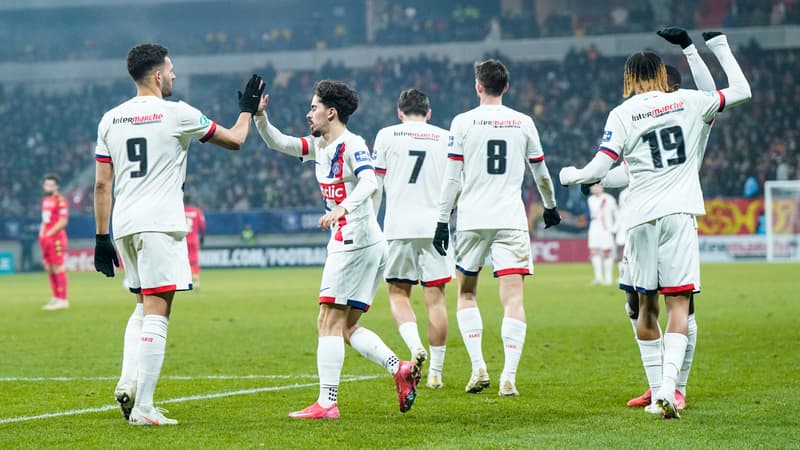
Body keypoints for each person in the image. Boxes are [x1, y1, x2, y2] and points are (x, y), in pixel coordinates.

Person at [559, 30, 751, 418]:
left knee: (646, 306)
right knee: (677, 303)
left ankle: (670, 389)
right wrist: (717, 46)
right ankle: (663, 389)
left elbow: (601, 165)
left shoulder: (623, 113)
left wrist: (574, 175)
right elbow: (742, 90)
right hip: (679, 213)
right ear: (662, 76)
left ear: (629, 78)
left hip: (641, 217)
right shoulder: (689, 102)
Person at [93, 43, 263, 426]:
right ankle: (144, 408)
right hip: (159, 223)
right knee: (158, 309)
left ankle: (127, 382)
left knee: (141, 304)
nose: (174, 75)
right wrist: (247, 111)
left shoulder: (110, 120)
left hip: (124, 224)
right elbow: (236, 140)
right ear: (157, 75)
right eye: (171, 69)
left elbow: (103, 185)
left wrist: (101, 238)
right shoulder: (178, 113)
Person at [253, 79, 418, 419]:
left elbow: (370, 181)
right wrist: (259, 117)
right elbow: (280, 143)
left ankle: (327, 403)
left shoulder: (351, 144)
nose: (308, 113)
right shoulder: (320, 145)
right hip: (365, 242)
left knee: (326, 320)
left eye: (313, 107)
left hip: (352, 241)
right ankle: (398, 368)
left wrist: (343, 208)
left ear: (331, 112)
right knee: (344, 328)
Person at [593, 31, 721, 413]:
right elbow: (627, 172)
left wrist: (691, 50)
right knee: (635, 304)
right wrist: (598, 180)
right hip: (640, 218)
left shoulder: (690, 114)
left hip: (673, 210)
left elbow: (712, 95)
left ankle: (674, 387)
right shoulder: (647, 117)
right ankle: (658, 385)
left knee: (680, 304)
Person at [433, 59, 561, 396]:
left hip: (473, 218)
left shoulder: (462, 123)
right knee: (514, 299)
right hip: (510, 218)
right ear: (506, 87)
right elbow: (541, 173)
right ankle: (509, 377)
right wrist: (550, 207)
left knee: (466, 292)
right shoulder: (523, 122)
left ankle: (478, 368)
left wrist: (442, 219)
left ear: (478, 86)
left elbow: (451, 179)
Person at [372, 88, 452, 389]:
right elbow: (455, 184)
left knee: (398, 293)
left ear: (399, 112)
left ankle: (415, 345)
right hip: (435, 227)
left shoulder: (387, 135)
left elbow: (376, 184)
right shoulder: (445, 138)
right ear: (429, 113)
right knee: (436, 299)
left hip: (398, 226)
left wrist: (373, 224)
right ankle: (437, 373)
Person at [39, 173, 70, 311]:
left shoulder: (60, 200)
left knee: (58, 267)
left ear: (57, 186)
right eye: (46, 184)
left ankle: (63, 299)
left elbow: (63, 221)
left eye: (51, 184)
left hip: (56, 238)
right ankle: (56, 297)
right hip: (46, 237)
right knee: (49, 267)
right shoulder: (45, 200)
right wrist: (42, 233)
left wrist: (49, 233)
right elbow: (45, 220)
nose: (48, 187)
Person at [586, 183, 617, 286]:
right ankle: (598, 278)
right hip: (594, 228)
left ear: (602, 187)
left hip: (606, 229)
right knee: (594, 251)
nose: (594, 188)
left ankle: (608, 278)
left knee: (607, 252)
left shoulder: (609, 199)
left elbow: (616, 213)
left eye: (597, 186)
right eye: (593, 187)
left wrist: (614, 227)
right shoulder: (590, 200)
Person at [183, 195, 206, 289]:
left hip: (182, 239)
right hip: (193, 240)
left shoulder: (179, 211)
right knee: (194, 261)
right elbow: (203, 226)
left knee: (183, 260)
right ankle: (195, 280)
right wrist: (202, 238)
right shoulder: (197, 211)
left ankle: (184, 281)